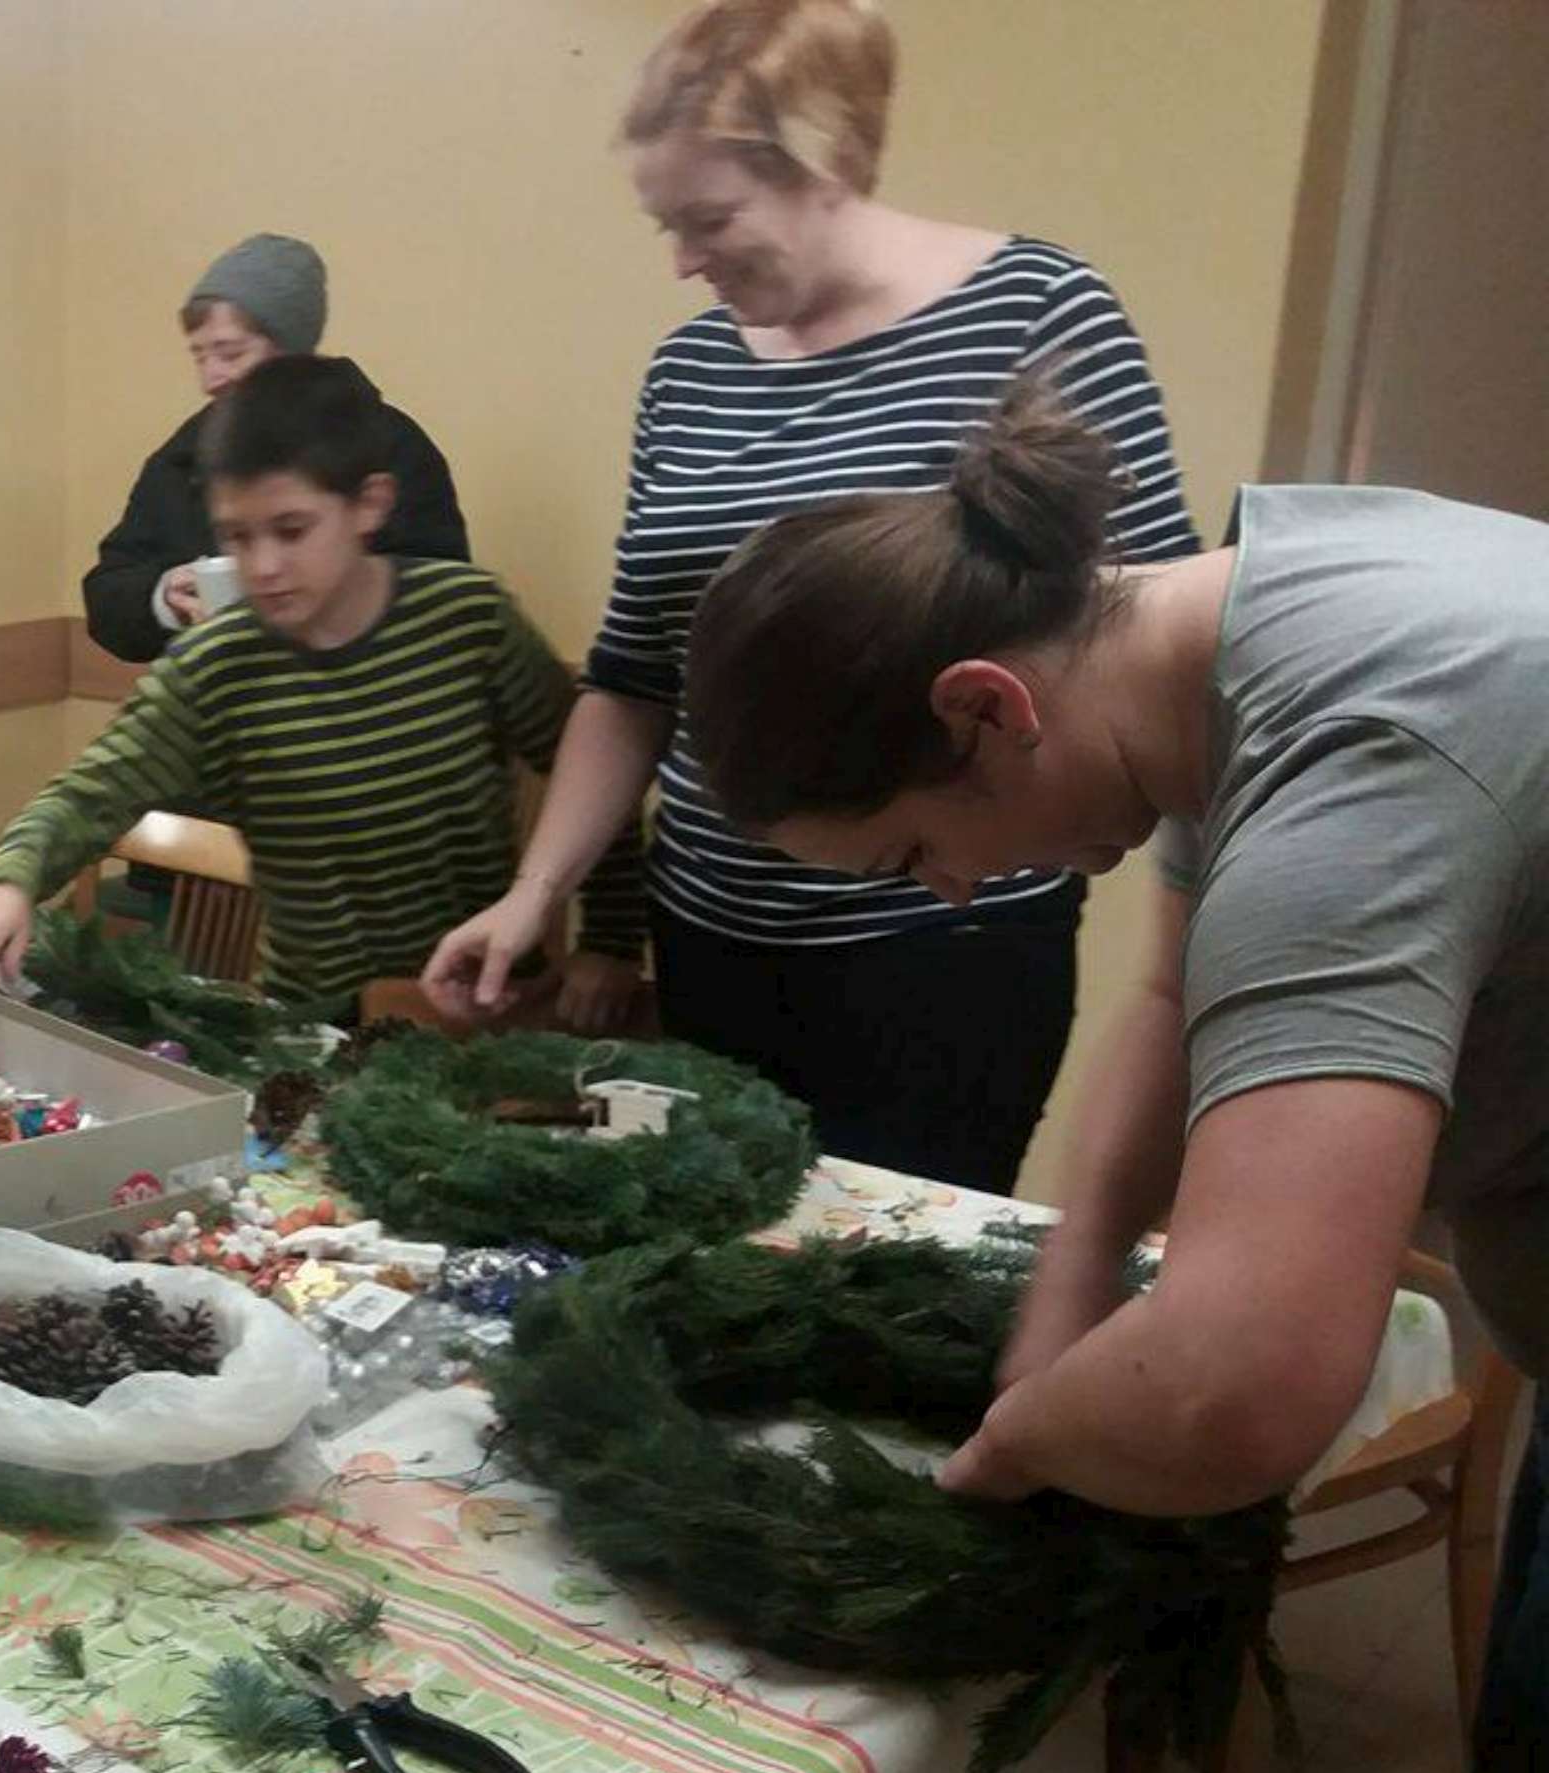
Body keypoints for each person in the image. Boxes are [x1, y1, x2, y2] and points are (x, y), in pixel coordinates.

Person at [681, 373, 1549, 1773]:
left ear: (983, 708)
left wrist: (1011, 1449)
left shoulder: (1367, 741)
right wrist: (1063, 1304)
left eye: (917, 851)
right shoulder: (1229, 632)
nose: (952, 890)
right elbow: (1173, 998)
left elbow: (1241, 1381)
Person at [423, 0, 1197, 1195]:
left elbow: (1147, 640)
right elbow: (632, 678)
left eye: (710, 219)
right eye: (666, 226)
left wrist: (1184, 965)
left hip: (944, 944)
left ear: (826, 163)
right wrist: (539, 892)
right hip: (711, 934)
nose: (684, 262)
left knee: (902, 1258)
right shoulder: (687, 371)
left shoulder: (1039, 313)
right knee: (723, 1240)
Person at [0, 355, 639, 1020]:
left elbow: (591, 771)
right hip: (313, 1024)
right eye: (237, 538)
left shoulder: (468, 619)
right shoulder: (216, 665)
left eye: (291, 530)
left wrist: (610, 939)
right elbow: (90, 794)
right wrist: (8, 883)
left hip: (488, 1009)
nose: (263, 566)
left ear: (370, 504)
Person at [80, 234, 471, 667]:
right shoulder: (183, 456)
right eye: (199, 356)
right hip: (227, 694)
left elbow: (443, 598)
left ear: (290, 350)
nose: (210, 379)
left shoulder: (390, 446)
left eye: (230, 354)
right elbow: (108, 591)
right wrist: (162, 598)